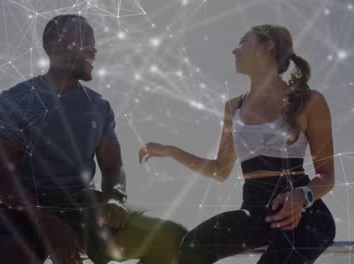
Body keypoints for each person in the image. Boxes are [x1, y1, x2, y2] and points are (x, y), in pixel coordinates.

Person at [0, 14, 186, 264]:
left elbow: (113, 166)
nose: (94, 49)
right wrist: (50, 227)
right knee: (1, 255)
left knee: (172, 239)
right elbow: (1, 181)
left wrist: (115, 197)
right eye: (85, 42)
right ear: (54, 47)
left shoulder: (99, 107)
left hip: (83, 207)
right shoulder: (14, 101)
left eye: (94, 43)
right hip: (26, 210)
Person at [139, 24, 336, 264]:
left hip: (305, 215)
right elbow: (220, 170)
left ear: (268, 46)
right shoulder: (233, 108)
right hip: (255, 212)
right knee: (193, 245)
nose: (234, 50)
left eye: (243, 41)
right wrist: (171, 151)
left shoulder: (310, 101)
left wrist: (301, 196)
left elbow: (326, 176)